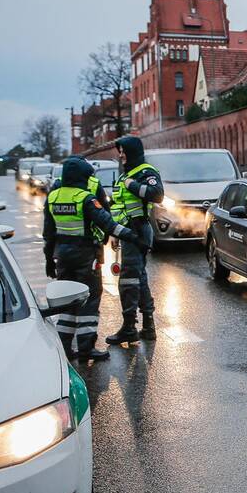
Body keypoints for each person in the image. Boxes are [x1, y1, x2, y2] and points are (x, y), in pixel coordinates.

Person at [44, 157, 145, 360]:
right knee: (89, 299)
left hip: (62, 257)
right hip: (85, 257)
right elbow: (108, 224)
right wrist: (134, 237)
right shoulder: (85, 198)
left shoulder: (53, 197)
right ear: (81, 176)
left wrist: (48, 259)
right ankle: (86, 348)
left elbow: (48, 232)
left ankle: (64, 348)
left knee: (67, 301)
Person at [107, 136, 164, 345]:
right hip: (127, 231)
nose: (120, 154)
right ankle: (148, 326)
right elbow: (118, 206)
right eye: (119, 151)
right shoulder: (125, 175)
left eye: (123, 151)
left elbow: (157, 195)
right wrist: (115, 233)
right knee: (138, 276)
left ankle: (130, 327)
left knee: (129, 279)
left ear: (132, 152)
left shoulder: (144, 172)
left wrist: (133, 186)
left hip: (138, 230)